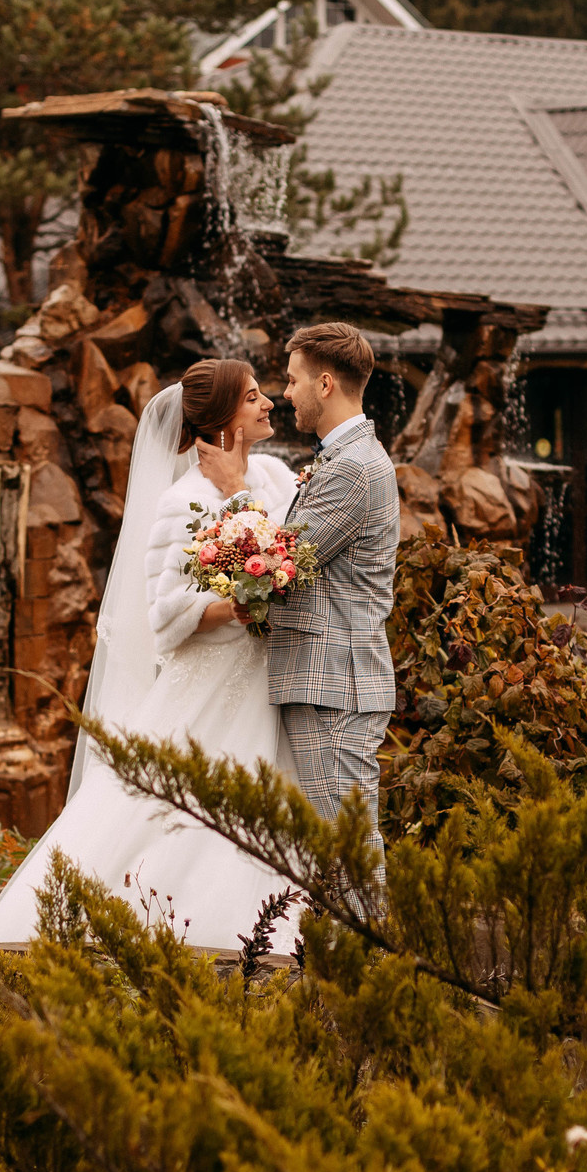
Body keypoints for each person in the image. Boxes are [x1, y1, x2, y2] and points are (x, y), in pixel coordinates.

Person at [0, 358, 301, 949]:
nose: (268, 404)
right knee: (179, 810)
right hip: (212, 680)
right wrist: (242, 606)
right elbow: (169, 612)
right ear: (224, 416)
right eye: (253, 397)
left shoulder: (280, 481)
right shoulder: (185, 501)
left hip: (268, 678)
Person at [198, 321, 397, 857]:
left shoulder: (351, 469)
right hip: (328, 680)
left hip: (336, 683)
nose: (285, 394)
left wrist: (235, 489)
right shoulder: (341, 459)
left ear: (325, 384)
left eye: (292, 380)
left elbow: (276, 562)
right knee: (337, 843)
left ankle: (368, 941)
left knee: (345, 845)